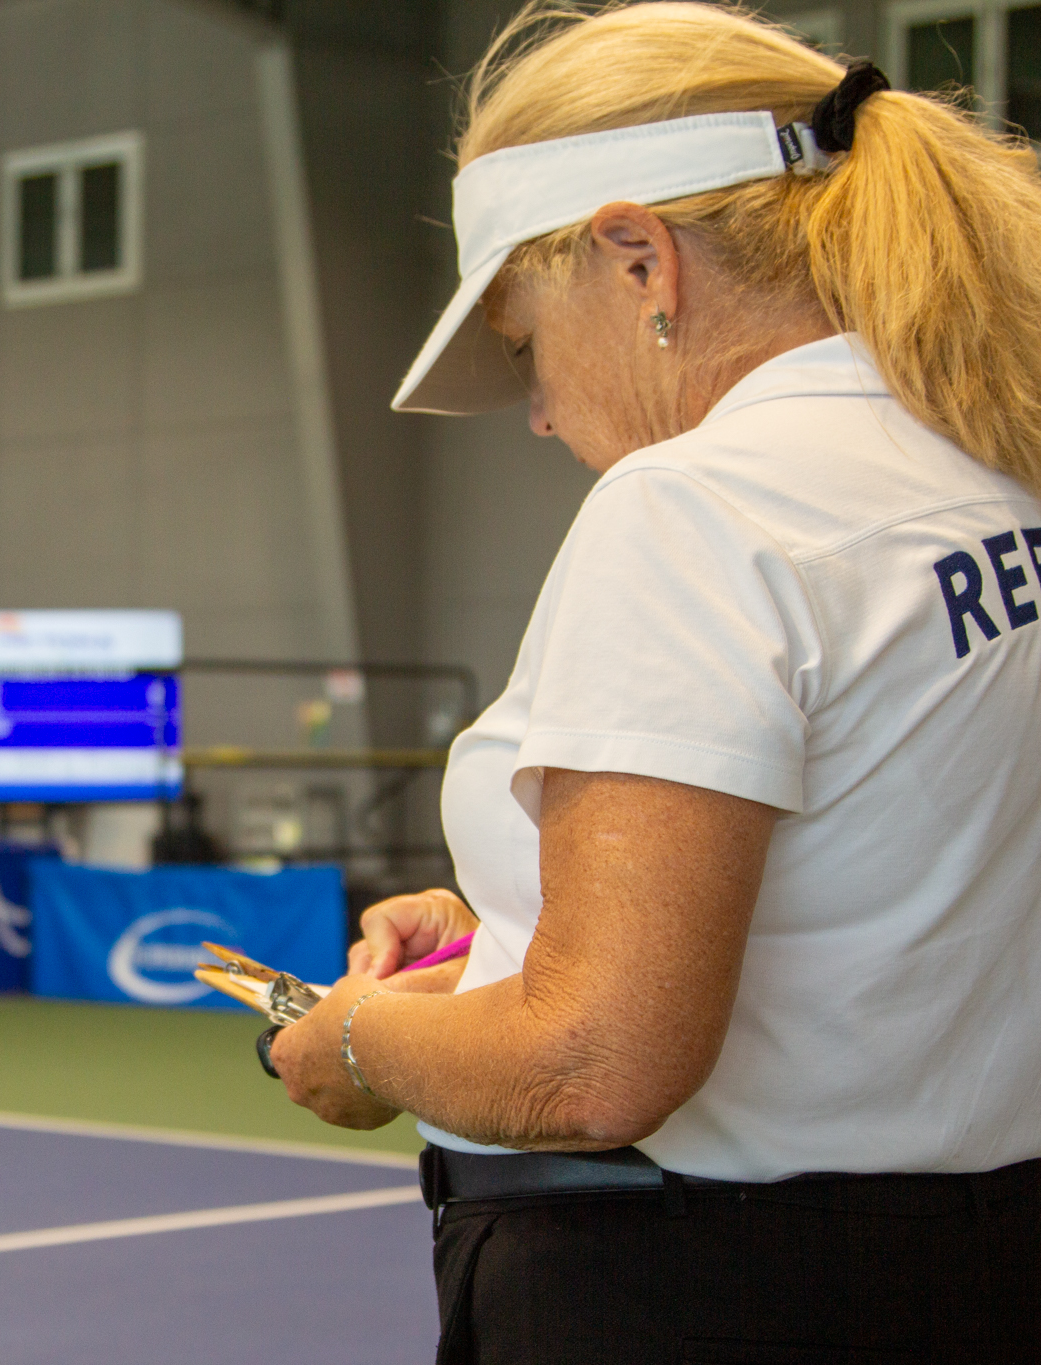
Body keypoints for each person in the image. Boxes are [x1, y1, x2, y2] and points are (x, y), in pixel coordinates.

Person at [266, 4, 1041, 1360]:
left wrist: (361, 1040)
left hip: (695, 1291)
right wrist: (503, 920)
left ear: (640, 261)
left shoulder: (696, 511)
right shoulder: (992, 468)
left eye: (524, 347)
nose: (546, 412)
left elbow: (591, 1064)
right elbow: (897, 871)